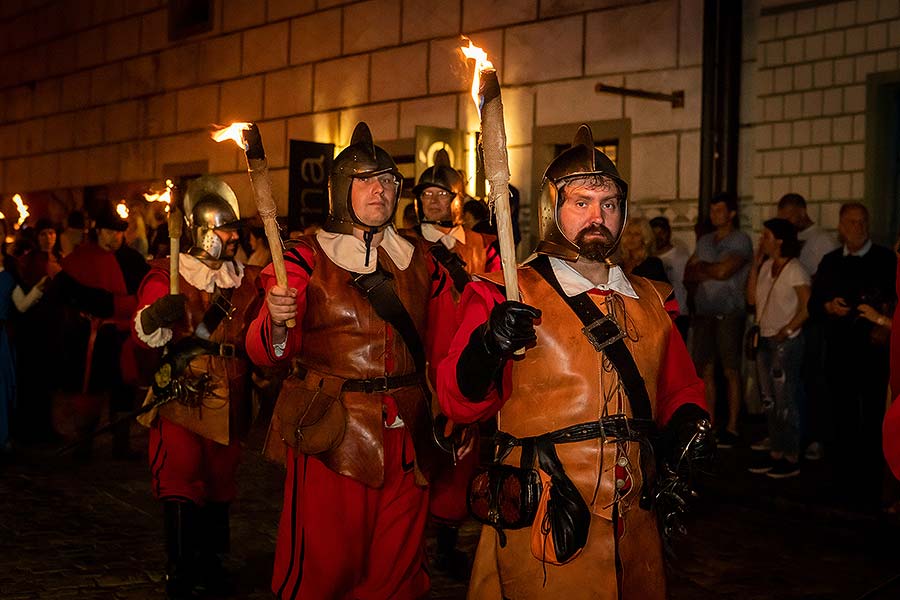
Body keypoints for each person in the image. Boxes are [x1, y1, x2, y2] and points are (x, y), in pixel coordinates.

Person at [436, 125, 711, 599]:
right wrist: (489, 345)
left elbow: (679, 388)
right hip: (548, 509)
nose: (597, 216)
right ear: (553, 209)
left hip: (634, 516)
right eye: (581, 202)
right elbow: (458, 402)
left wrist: (689, 422)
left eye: (608, 204)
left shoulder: (649, 298)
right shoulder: (504, 292)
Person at [245, 122, 451, 599]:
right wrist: (277, 321)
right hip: (332, 435)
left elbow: (445, 343)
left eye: (387, 180)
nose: (378, 189)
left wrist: (455, 409)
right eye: (364, 180)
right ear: (341, 190)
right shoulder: (302, 258)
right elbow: (266, 351)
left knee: (397, 575)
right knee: (322, 570)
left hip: (408, 437)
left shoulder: (421, 259)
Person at [132, 176, 261, 599]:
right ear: (203, 233)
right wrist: (155, 318)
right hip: (185, 391)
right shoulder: (169, 274)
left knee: (222, 478)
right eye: (224, 230)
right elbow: (144, 329)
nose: (232, 237)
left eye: (234, 229)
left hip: (233, 387)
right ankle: (181, 567)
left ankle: (211, 560)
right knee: (182, 476)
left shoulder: (244, 280)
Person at [403, 149, 501, 578]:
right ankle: (410, 544)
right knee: (418, 455)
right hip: (419, 360)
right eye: (426, 193)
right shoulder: (404, 245)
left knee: (462, 459)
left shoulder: (485, 247)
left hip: (466, 361)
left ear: (460, 198)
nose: (433, 199)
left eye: (442, 193)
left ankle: (445, 544)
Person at [810, 202, 896, 509]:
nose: (858, 228)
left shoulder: (885, 259)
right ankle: (842, 482)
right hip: (840, 352)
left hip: (873, 354)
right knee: (841, 416)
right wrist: (828, 307)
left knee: (873, 417)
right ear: (841, 227)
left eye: (862, 222)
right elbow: (814, 304)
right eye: (852, 222)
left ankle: (871, 484)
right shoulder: (831, 261)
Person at [51, 208, 149, 459]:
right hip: (92, 338)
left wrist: (122, 306)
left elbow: (144, 293)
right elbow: (65, 291)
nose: (116, 236)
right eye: (110, 231)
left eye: (119, 232)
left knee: (124, 391)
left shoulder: (132, 260)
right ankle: (84, 444)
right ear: (99, 232)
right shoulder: (82, 258)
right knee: (90, 390)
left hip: (124, 336)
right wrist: (109, 304)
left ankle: (121, 445)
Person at [684, 192, 753, 448]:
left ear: (731, 213)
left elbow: (726, 271)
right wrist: (709, 270)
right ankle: (711, 423)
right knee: (707, 370)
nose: (715, 215)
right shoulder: (705, 240)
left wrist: (706, 268)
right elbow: (689, 273)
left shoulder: (740, 240)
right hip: (704, 313)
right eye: (712, 211)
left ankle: (733, 425)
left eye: (720, 210)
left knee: (731, 369)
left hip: (729, 313)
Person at [776, 193, 839, 461]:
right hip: (795, 319)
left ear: (801, 212)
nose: (787, 224)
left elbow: (820, 281)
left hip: (813, 321)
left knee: (814, 379)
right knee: (795, 381)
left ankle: (817, 437)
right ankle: (796, 434)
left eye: (789, 217)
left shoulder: (821, 240)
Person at [745, 219, 810, 479]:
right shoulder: (767, 267)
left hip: (786, 341)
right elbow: (751, 299)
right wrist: (755, 263)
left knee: (785, 399)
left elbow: (807, 305)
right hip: (766, 339)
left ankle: (791, 454)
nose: (762, 240)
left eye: (767, 235)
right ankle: (776, 450)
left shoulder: (795, 269)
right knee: (769, 399)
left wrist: (788, 328)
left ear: (780, 240)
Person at [776, 193, 838, 277]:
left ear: (802, 212)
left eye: (788, 219)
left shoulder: (824, 239)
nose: (785, 225)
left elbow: (827, 274)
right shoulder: (788, 237)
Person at [650, 216, 690, 339]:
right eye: (655, 234)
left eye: (662, 233)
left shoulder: (681, 257)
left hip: (678, 313)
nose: (659, 237)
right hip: (656, 316)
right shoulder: (647, 259)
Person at [619, 216, 668, 283]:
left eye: (636, 234)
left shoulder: (653, 264)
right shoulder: (619, 263)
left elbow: (662, 290)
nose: (631, 237)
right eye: (629, 233)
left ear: (645, 237)